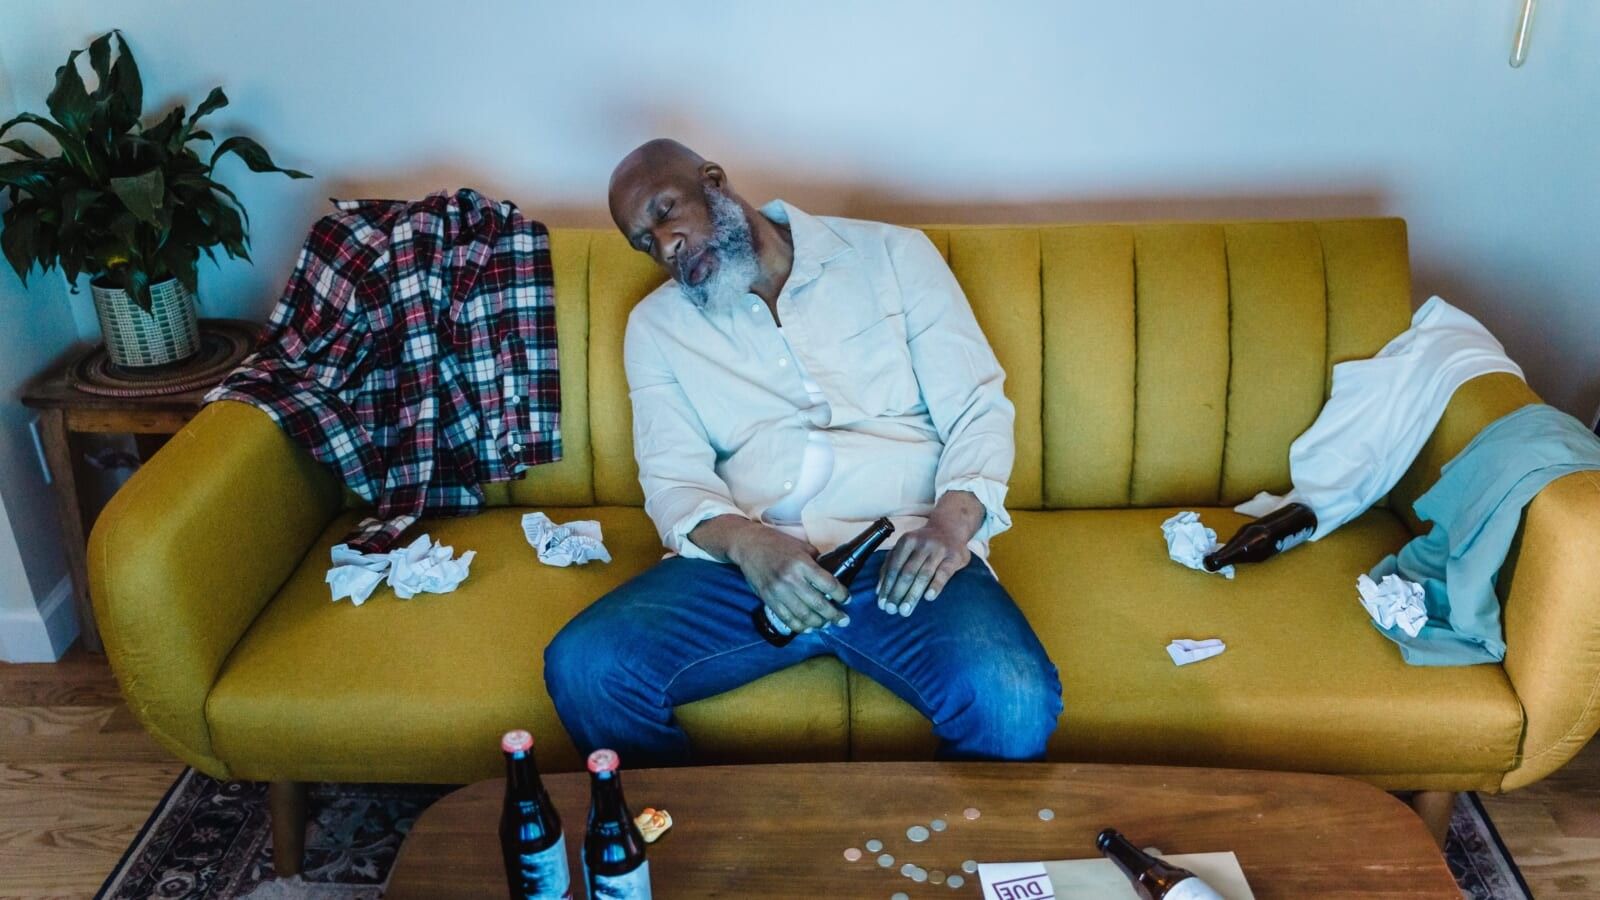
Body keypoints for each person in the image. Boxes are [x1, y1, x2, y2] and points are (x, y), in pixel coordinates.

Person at [544, 139, 1062, 764]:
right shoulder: (657, 328)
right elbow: (671, 478)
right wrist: (749, 546)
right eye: (644, 242)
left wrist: (950, 528)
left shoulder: (892, 255)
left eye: (664, 212)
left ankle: (942, 852)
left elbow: (977, 407)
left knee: (1011, 701)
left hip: (901, 551)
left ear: (714, 181)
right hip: (753, 570)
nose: (665, 246)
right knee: (585, 666)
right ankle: (690, 842)